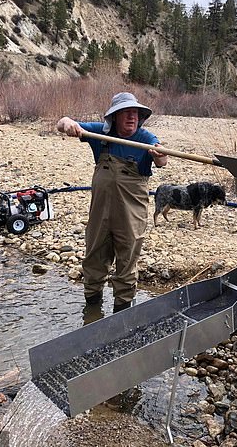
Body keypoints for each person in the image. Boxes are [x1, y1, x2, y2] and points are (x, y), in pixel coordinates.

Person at [57, 92, 168, 313]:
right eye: (126, 113)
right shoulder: (100, 134)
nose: (131, 117)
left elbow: (163, 161)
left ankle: (121, 314)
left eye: (135, 113)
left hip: (131, 215)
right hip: (100, 212)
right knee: (94, 258)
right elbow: (62, 123)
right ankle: (91, 312)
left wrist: (158, 155)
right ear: (114, 117)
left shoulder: (146, 139)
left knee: (126, 263)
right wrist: (68, 123)